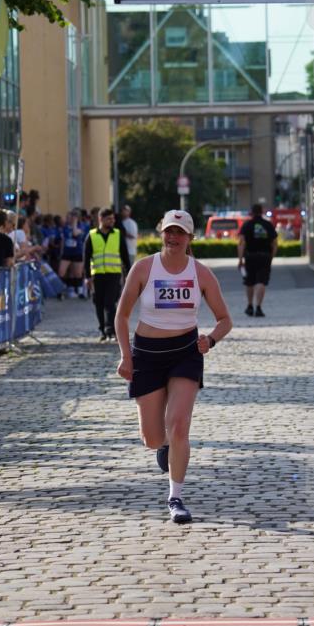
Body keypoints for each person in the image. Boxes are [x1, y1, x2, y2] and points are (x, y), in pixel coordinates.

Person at [115, 209, 232, 524]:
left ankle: (176, 497)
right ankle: (163, 445)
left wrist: (212, 339)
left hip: (185, 353)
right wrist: (126, 356)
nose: (173, 237)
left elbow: (225, 319)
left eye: (180, 232)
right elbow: (122, 315)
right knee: (153, 437)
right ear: (160, 232)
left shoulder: (201, 273)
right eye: (169, 231)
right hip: (147, 354)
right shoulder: (143, 269)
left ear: (190, 238)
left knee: (179, 424)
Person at [84, 208, 130, 341]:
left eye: (113, 219)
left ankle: (111, 330)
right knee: (98, 303)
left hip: (114, 274)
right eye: (109, 219)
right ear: (101, 219)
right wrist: (87, 277)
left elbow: (125, 255)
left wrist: (128, 273)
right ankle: (102, 330)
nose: (112, 221)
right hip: (97, 275)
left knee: (110, 302)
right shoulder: (92, 235)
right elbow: (86, 258)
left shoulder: (117, 234)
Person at [237, 203, 278, 317]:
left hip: (250, 256)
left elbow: (241, 243)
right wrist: (271, 258)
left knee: (249, 281)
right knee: (261, 281)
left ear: (252, 212)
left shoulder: (247, 225)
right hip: (265, 256)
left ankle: (250, 306)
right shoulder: (268, 225)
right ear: (262, 211)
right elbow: (275, 244)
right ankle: (258, 307)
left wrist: (240, 259)